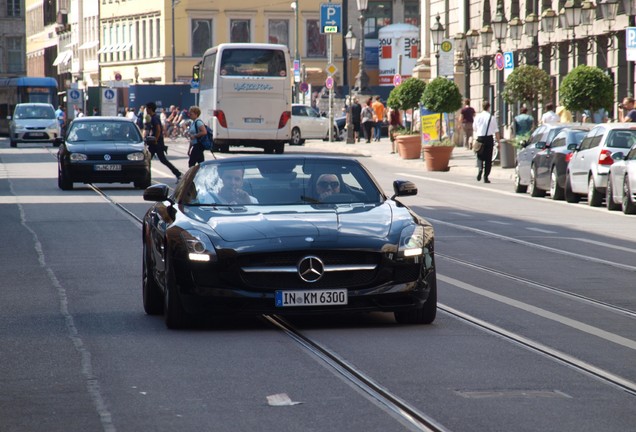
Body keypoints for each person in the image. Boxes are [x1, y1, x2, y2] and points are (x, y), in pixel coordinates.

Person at [144, 102, 182, 181]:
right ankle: (145, 176)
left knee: (162, 160)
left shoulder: (154, 118)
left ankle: (178, 174)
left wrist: (156, 139)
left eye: (147, 108)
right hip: (153, 143)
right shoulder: (151, 117)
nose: (146, 110)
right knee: (148, 160)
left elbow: (158, 129)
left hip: (157, 143)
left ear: (150, 109)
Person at [473, 100, 500, 184]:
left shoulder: (478, 116)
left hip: (480, 137)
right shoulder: (491, 117)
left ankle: (480, 168)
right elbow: (496, 131)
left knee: (479, 155)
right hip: (489, 138)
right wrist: (498, 142)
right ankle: (486, 176)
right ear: (489, 107)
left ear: (482, 107)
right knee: (488, 159)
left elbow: (475, 128)